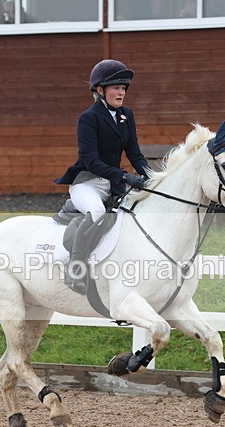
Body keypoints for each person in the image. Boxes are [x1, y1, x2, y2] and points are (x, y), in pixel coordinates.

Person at [55, 59, 150, 294]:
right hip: (87, 183)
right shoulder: (89, 118)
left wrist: (151, 177)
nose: (121, 92)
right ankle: (75, 269)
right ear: (100, 90)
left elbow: (135, 154)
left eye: (123, 88)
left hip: (113, 185)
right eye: (116, 87)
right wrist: (124, 176)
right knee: (97, 212)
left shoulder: (126, 115)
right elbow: (91, 160)